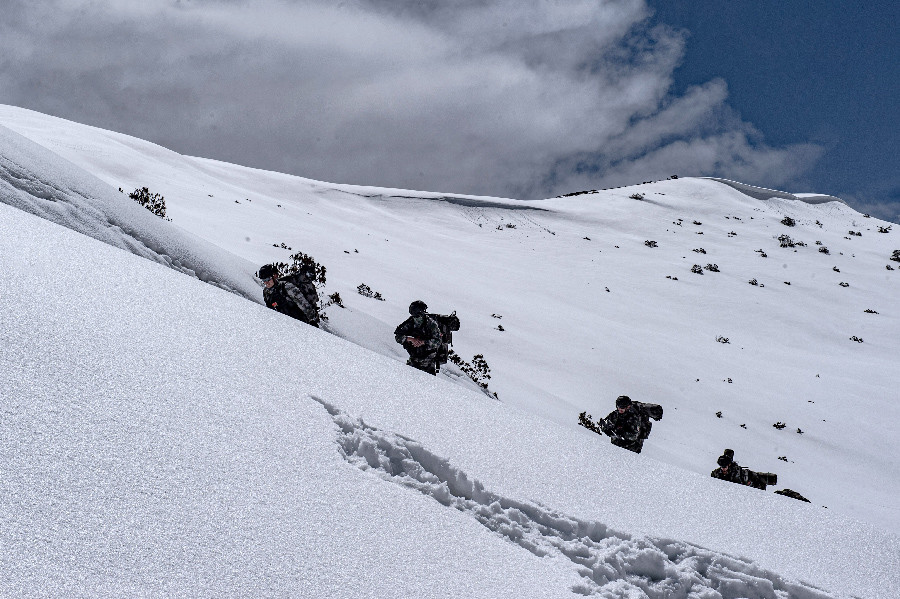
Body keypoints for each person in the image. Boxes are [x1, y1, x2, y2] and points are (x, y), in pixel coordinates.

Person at [394, 300, 442, 375]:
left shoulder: (431, 324)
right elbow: (398, 336)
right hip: (414, 358)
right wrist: (410, 339)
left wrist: (423, 342)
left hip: (428, 361)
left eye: (417, 315)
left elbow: (438, 341)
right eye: (413, 315)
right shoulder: (410, 322)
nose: (416, 318)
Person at [710, 449, 776, 490]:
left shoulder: (738, 473)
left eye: (725, 467)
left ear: (729, 465)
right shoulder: (716, 473)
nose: (723, 469)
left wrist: (749, 484)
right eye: (722, 467)